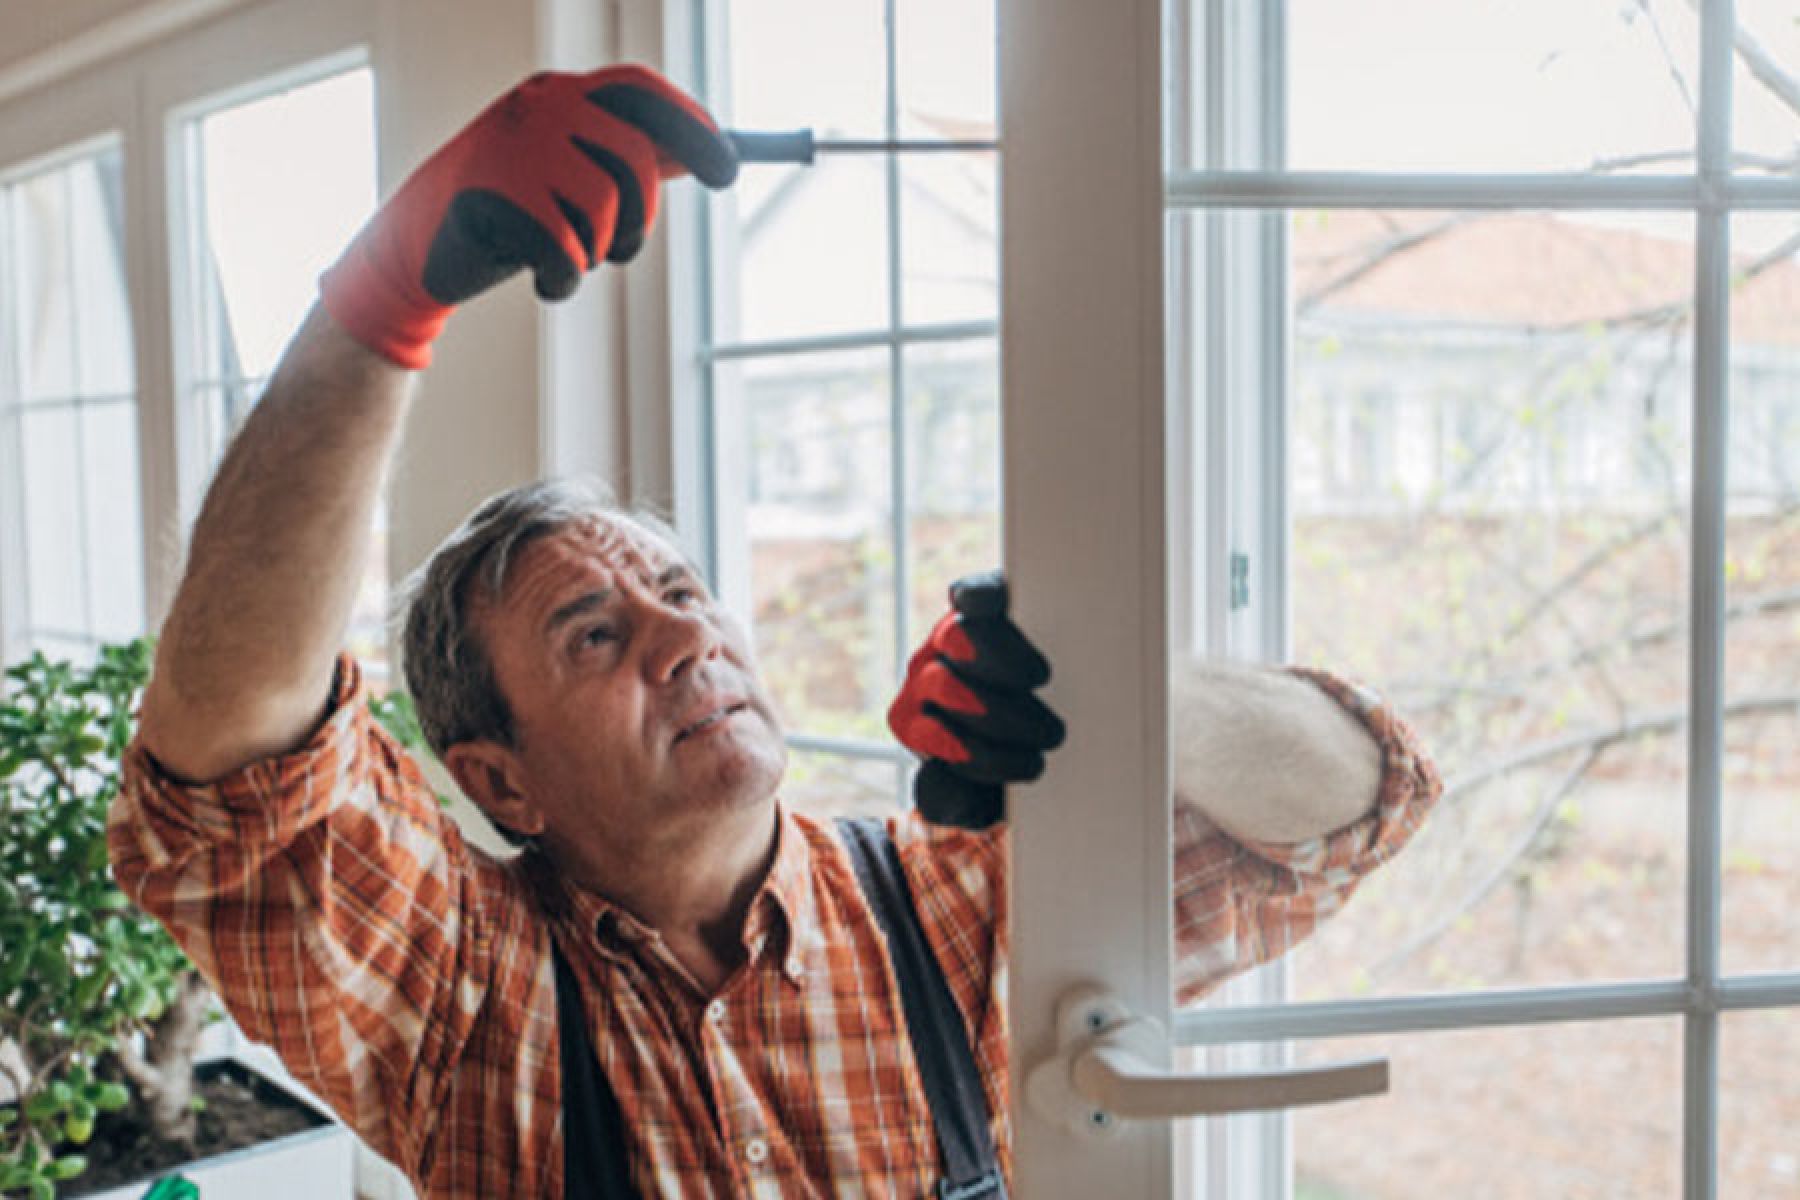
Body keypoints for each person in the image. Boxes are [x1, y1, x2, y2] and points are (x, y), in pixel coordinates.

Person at [107, 65, 1441, 1199]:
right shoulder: (465, 991)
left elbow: (1353, 804)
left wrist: (1108, 688)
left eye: (684, 598)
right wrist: (382, 299)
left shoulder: (951, 914)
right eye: (592, 635)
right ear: (498, 778)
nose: (684, 645)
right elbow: (233, 770)